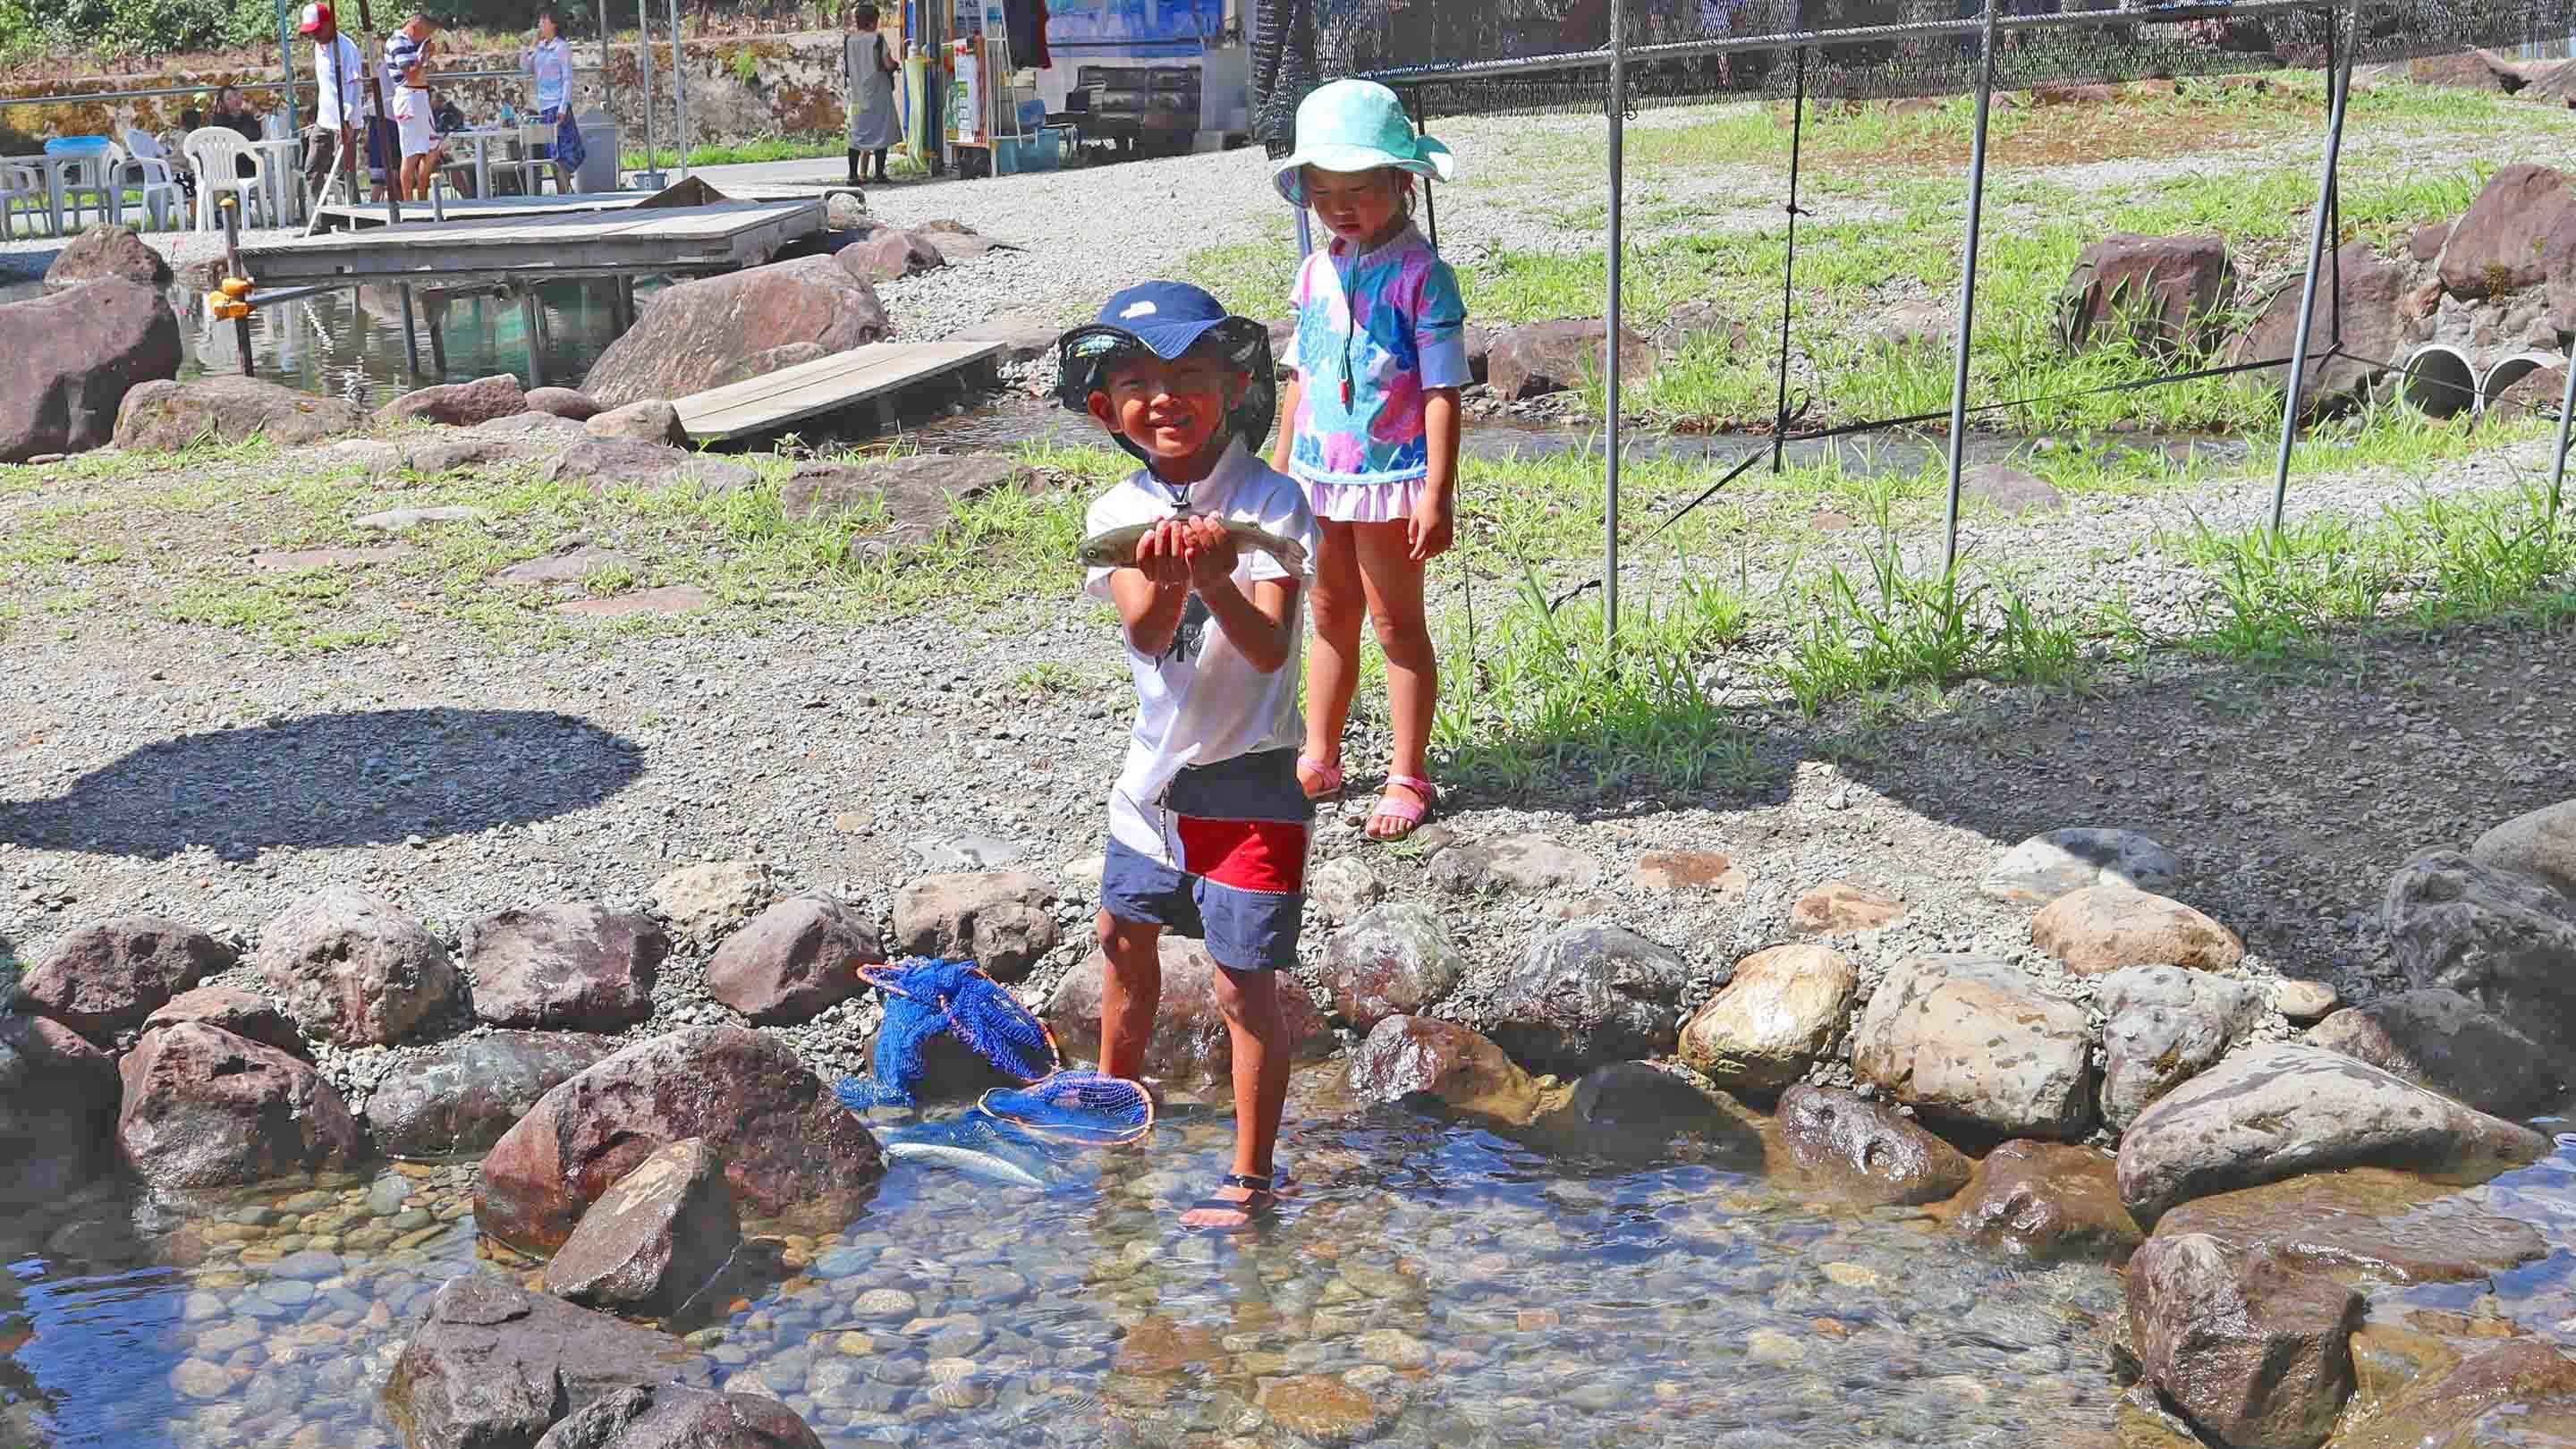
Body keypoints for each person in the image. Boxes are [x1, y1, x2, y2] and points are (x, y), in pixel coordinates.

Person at [1059, 280, 1318, 1233]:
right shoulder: (1115, 512)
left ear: (1232, 383)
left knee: (1242, 983)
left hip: (1252, 785)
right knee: (1122, 944)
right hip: (1150, 785)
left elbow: (1267, 648)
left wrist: (1218, 570)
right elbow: (1142, 631)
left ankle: (1251, 1180)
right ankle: (1114, 1111)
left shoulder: (1273, 502)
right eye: (1137, 380)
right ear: (1104, 408)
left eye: (1189, 375)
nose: (1164, 396)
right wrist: (1173, 582)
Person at [1267, 79, 1467, 843]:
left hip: (1390, 481)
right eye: (1323, 194)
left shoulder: (1423, 276)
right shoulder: (1316, 271)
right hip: (1320, 476)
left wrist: (1437, 491)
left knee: (1394, 622)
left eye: (1359, 190)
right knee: (1327, 613)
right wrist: (1281, 469)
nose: (1341, 208)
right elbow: (1303, 377)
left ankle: (1408, 769)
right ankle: (1320, 754)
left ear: (1401, 181)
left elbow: (1444, 388)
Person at [299, 2, 386, 202]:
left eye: (318, 30)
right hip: (324, 119)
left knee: (344, 173)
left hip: (345, 119)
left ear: (330, 24)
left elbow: (355, 87)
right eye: (311, 32)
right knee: (312, 169)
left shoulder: (346, 48)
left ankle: (354, 216)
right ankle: (321, 220)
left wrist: (347, 120)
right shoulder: (317, 45)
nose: (315, 35)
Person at [522, 7, 587, 191]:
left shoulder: (561, 47)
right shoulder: (540, 47)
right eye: (540, 20)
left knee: (564, 153)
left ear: (554, 24)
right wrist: (525, 47)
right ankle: (564, 191)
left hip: (557, 105)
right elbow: (526, 69)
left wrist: (563, 106)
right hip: (544, 107)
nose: (540, 24)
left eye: (544, 20)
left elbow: (567, 78)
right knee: (552, 153)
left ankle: (564, 191)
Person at [385, 12, 441, 203]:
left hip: (419, 96)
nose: (426, 36)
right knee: (410, 154)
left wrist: (424, 53)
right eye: (425, 32)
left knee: (432, 148)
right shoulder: (398, 42)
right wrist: (424, 54)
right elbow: (410, 74)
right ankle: (410, 203)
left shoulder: (412, 44)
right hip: (409, 97)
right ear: (416, 25)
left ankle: (423, 196)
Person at [843, 3, 901, 186]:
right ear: (872, 21)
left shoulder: (849, 40)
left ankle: (853, 175)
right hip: (878, 92)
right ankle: (879, 174)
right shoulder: (877, 39)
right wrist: (896, 65)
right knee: (881, 130)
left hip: (857, 93)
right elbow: (888, 63)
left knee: (857, 133)